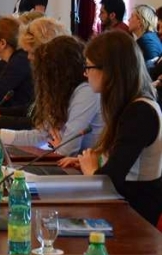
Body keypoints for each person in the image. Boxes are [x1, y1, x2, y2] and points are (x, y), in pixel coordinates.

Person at [58, 30, 162, 226]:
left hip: (135, 216)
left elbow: (109, 182)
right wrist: (91, 160)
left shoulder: (140, 112)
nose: (85, 73)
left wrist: (91, 170)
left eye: (88, 67)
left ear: (108, 71)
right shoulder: (131, 105)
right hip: (122, 205)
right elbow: (121, 159)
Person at [0, 36, 103, 156]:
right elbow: (41, 135)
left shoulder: (86, 92)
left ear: (58, 74)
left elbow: (67, 151)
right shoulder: (64, 93)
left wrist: (57, 147)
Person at [127, 4, 162, 68]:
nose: (128, 20)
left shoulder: (146, 41)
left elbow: (150, 71)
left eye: (132, 16)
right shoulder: (151, 37)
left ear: (140, 20)